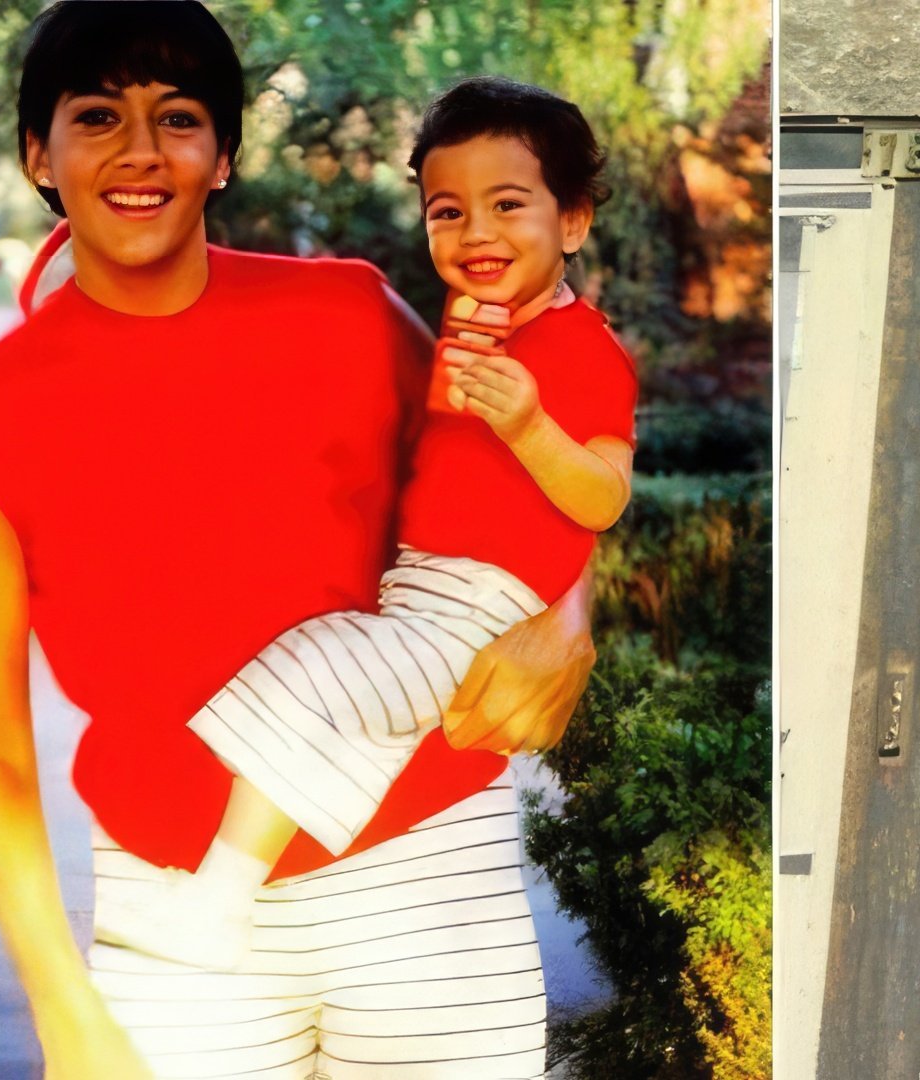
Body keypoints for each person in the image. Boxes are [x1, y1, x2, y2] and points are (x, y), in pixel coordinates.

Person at [0, 5, 590, 1076]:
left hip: (422, 862)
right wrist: (62, 1005)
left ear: (222, 155)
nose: (141, 151)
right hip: (174, 905)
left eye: (178, 117)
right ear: (35, 154)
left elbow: (512, 476)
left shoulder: (344, 312)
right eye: (97, 116)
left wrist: (569, 615)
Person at [92, 75, 637, 973]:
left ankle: (220, 902)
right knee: (333, 695)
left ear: (573, 221)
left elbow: (603, 498)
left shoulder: (586, 352)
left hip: (480, 611)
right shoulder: (473, 327)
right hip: (417, 588)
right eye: (447, 212)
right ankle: (233, 897)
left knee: (320, 675)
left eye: (509, 205)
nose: (477, 233)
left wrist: (530, 427)